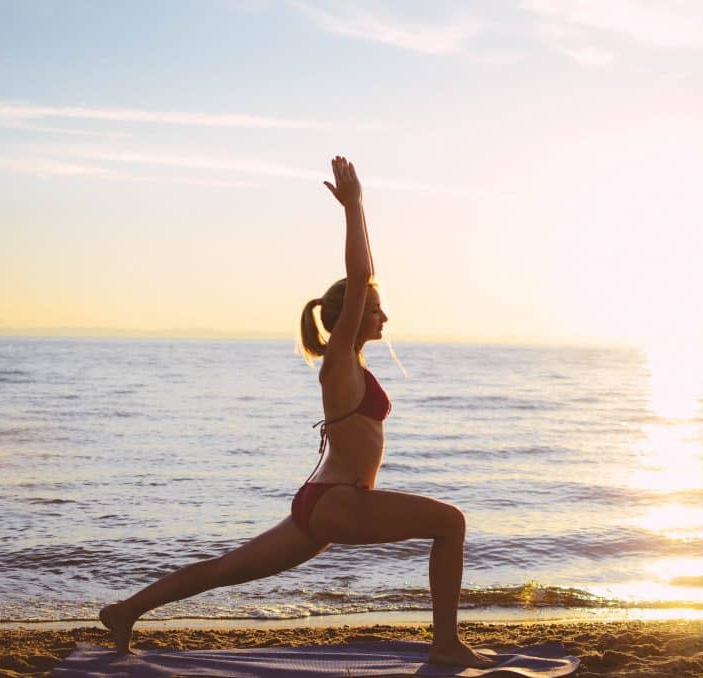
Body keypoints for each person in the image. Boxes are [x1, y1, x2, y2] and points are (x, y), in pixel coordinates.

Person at [100, 156, 493, 668]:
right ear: (350, 317)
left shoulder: (349, 363)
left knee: (226, 568)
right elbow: (360, 274)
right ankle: (444, 642)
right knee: (451, 524)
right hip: (337, 501)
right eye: (375, 309)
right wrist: (355, 208)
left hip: (321, 503)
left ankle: (127, 611)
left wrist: (362, 212)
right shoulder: (338, 360)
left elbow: (367, 277)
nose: (384, 315)